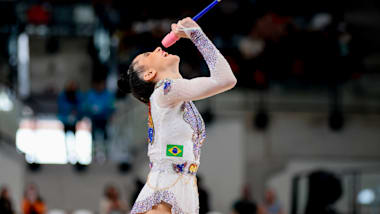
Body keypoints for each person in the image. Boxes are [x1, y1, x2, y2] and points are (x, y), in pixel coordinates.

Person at [118, 17, 236, 214]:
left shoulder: (171, 96)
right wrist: (196, 35)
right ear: (149, 75)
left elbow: (226, 80)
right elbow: (225, 79)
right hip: (165, 189)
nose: (157, 49)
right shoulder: (165, 90)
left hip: (181, 186)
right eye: (149, 54)